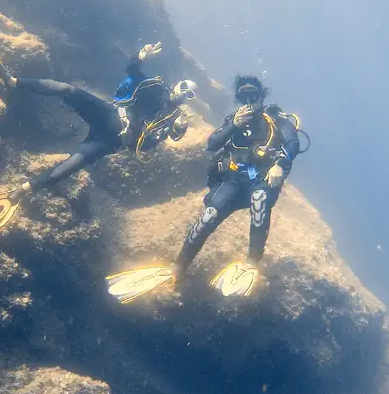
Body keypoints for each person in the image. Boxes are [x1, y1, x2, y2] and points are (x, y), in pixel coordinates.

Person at [0, 26, 198, 235]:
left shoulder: (175, 118)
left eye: (191, 94)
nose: (185, 93)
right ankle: (11, 80)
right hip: (108, 113)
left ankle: (20, 191)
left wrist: (175, 130)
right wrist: (141, 56)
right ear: (178, 83)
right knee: (67, 90)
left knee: (71, 166)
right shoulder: (157, 87)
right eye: (185, 87)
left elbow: (149, 146)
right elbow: (132, 71)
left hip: (110, 141)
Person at [106, 75, 309, 303]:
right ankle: (178, 267)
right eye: (244, 96)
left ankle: (252, 262)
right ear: (238, 99)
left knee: (260, 199)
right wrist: (234, 125)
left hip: (260, 180)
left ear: (262, 96)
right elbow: (212, 144)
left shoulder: (276, 119)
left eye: (254, 95)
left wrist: (280, 165)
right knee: (209, 215)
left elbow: (293, 143)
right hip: (233, 179)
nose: (249, 100)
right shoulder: (234, 119)